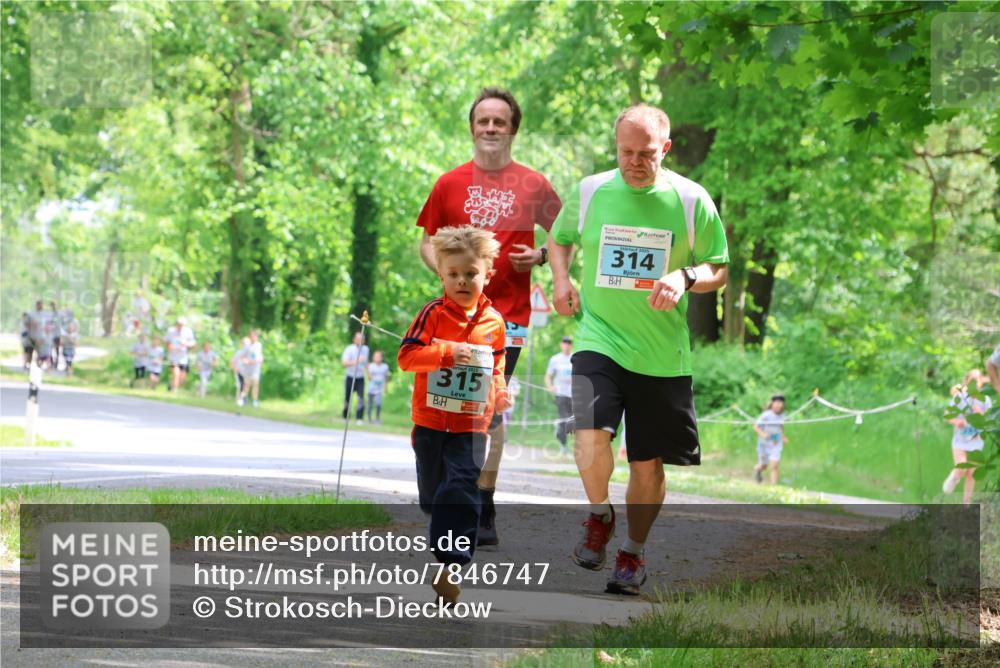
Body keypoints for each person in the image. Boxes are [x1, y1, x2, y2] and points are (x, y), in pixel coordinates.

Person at [548, 103, 729, 596]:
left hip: (661, 355)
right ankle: (599, 515)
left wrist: (684, 275)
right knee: (588, 435)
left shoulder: (691, 201)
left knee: (647, 463)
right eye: (625, 151)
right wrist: (561, 279)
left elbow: (719, 268)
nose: (634, 161)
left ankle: (631, 552)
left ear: (664, 149)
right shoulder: (590, 192)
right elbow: (559, 239)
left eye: (645, 153)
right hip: (597, 338)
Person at [416, 87, 562, 546]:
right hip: (451, 316)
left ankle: (483, 502)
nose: (492, 128)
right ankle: (448, 488)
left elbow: (567, 234)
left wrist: (540, 256)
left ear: (513, 129)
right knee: (446, 405)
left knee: (485, 405)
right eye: (484, 121)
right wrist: (444, 268)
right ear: (473, 128)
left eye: (500, 121)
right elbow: (426, 240)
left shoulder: (534, 183)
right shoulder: (449, 183)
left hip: (507, 316)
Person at [398, 225, 511, 606]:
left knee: (461, 486)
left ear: (487, 273)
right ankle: (443, 533)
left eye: (471, 274)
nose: (462, 281)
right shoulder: (431, 314)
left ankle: (451, 567)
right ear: (442, 275)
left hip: (471, 425)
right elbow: (407, 358)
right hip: (430, 424)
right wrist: (445, 354)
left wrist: (501, 393)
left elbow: (495, 368)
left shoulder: (494, 323)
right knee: (433, 496)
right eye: (454, 274)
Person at [943, 369, 992, 506]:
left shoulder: (985, 400)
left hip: (976, 441)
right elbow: (947, 415)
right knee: (962, 467)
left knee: (972, 472)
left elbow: (988, 422)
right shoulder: (959, 398)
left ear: (981, 383)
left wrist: (980, 414)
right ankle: (954, 477)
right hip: (960, 441)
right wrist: (956, 422)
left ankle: (966, 503)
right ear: (966, 382)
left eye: (977, 381)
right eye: (972, 381)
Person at [545, 336, 575, 456]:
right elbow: (548, 376)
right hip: (561, 393)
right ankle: (563, 446)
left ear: (571, 345)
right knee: (565, 418)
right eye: (564, 343)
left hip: (573, 394)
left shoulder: (575, 358)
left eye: (569, 343)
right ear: (561, 345)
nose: (566, 345)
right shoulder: (555, 359)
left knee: (571, 420)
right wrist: (550, 386)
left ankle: (559, 427)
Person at [753, 395, 789, 485]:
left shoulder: (782, 415)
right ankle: (757, 470)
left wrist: (782, 437)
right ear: (772, 404)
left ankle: (774, 488)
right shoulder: (766, 415)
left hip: (776, 442)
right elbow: (756, 427)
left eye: (780, 403)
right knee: (764, 466)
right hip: (764, 444)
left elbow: (780, 427)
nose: (778, 405)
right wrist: (763, 434)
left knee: (774, 466)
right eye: (776, 403)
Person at [341, 331, 369, 423]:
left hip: (360, 377)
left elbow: (365, 363)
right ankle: (345, 416)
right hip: (350, 376)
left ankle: (359, 418)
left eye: (362, 339)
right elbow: (344, 364)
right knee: (348, 398)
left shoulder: (366, 349)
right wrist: (356, 361)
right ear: (354, 339)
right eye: (358, 339)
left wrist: (368, 373)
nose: (360, 341)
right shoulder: (349, 349)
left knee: (361, 398)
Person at [164, 317, 196, 393]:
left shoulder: (188, 331)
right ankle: (174, 392)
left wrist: (186, 344)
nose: (180, 326)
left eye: (181, 325)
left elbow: (193, 343)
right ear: (176, 324)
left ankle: (171, 385)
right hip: (173, 357)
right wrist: (169, 346)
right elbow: (166, 341)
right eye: (178, 324)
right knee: (176, 374)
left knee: (182, 379)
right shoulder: (171, 331)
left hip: (183, 358)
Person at [238, 330, 263, 407]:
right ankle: (243, 399)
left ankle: (255, 401)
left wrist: (260, 360)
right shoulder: (247, 346)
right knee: (246, 385)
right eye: (252, 336)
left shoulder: (259, 345)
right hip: (248, 369)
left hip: (256, 369)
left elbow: (260, 356)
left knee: (255, 385)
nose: (253, 337)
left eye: (255, 336)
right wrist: (247, 361)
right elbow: (242, 357)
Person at [366, 351, 391, 425]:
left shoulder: (385, 366)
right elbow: (369, 378)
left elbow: (386, 377)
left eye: (378, 356)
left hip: (379, 390)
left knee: (378, 404)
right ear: (373, 358)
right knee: (370, 404)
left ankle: (377, 418)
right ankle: (369, 419)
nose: (377, 358)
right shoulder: (371, 366)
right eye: (375, 356)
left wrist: (386, 387)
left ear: (381, 358)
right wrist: (368, 370)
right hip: (371, 388)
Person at [230, 337, 249, 402]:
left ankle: (243, 398)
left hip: (247, 372)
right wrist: (234, 368)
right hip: (239, 371)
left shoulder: (249, 353)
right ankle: (239, 399)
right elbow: (233, 361)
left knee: (246, 385)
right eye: (243, 343)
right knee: (240, 385)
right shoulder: (239, 352)